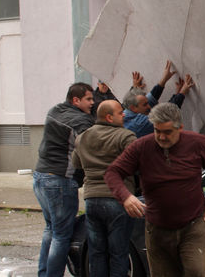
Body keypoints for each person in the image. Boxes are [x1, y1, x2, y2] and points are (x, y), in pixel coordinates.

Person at [105, 102, 205, 277]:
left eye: (167, 132)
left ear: (180, 128)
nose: (161, 137)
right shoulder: (141, 146)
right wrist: (126, 197)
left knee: (197, 272)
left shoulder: (198, 143)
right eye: (157, 131)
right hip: (157, 228)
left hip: (193, 224)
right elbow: (113, 172)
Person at [33, 82, 95, 277]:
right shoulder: (80, 121)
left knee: (51, 230)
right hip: (59, 181)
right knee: (61, 236)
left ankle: (44, 273)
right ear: (75, 100)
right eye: (88, 99)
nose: (92, 103)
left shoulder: (55, 110)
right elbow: (92, 145)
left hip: (40, 176)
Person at [71, 100, 137, 277]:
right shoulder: (125, 137)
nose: (124, 114)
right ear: (109, 117)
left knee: (97, 251)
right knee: (119, 252)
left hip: (92, 199)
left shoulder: (83, 137)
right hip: (119, 199)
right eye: (120, 112)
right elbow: (139, 164)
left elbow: (76, 163)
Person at [124, 60, 195, 137]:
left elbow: (150, 99)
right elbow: (167, 113)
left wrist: (164, 79)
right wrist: (182, 93)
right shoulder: (139, 125)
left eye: (147, 103)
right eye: (145, 105)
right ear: (133, 108)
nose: (149, 106)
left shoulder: (127, 112)